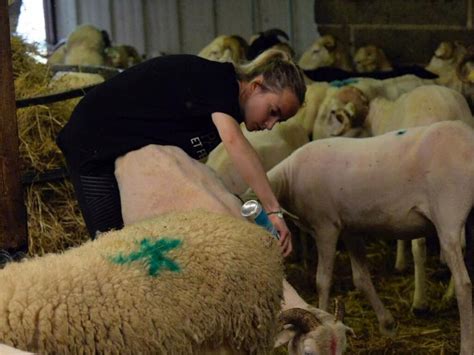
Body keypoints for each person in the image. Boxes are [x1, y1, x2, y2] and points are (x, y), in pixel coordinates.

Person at [56, 49, 307, 257]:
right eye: (273, 111)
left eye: (280, 121)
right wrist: (273, 210)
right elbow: (235, 142)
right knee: (111, 249)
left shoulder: (221, 112)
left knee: (130, 247)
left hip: (124, 155)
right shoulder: (220, 82)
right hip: (91, 140)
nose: (271, 124)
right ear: (255, 86)